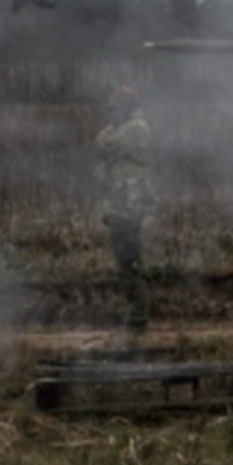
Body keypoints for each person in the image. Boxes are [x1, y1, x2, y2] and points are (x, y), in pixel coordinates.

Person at [93, 84, 156, 332]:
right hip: (119, 202)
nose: (112, 112)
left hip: (129, 203)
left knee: (130, 260)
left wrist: (111, 132)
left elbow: (107, 145)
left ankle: (139, 315)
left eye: (116, 107)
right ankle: (135, 312)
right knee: (125, 261)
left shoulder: (137, 128)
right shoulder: (124, 127)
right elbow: (100, 145)